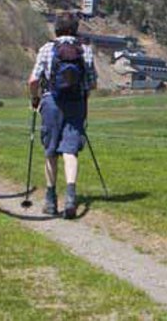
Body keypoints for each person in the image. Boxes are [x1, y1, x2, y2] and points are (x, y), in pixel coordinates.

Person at [28, 13, 96, 219]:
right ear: (76, 29)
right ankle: (70, 196)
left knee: (50, 150)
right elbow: (92, 83)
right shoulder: (85, 51)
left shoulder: (47, 49)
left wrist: (35, 99)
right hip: (76, 103)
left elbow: (33, 80)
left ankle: (50, 199)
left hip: (51, 102)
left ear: (56, 29)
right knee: (70, 150)